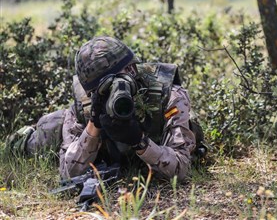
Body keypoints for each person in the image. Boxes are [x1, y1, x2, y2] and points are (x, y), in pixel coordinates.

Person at [8, 36, 204, 181]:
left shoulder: (169, 94)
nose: (116, 91)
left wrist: (139, 141)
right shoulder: (85, 104)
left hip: (154, 145)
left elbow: (181, 170)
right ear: (92, 91)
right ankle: (18, 139)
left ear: (133, 69)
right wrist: (93, 125)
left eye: (121, 80)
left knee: (193, 128)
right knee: (48, 130)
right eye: (105, 87)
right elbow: (68, 174)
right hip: (98, 143)